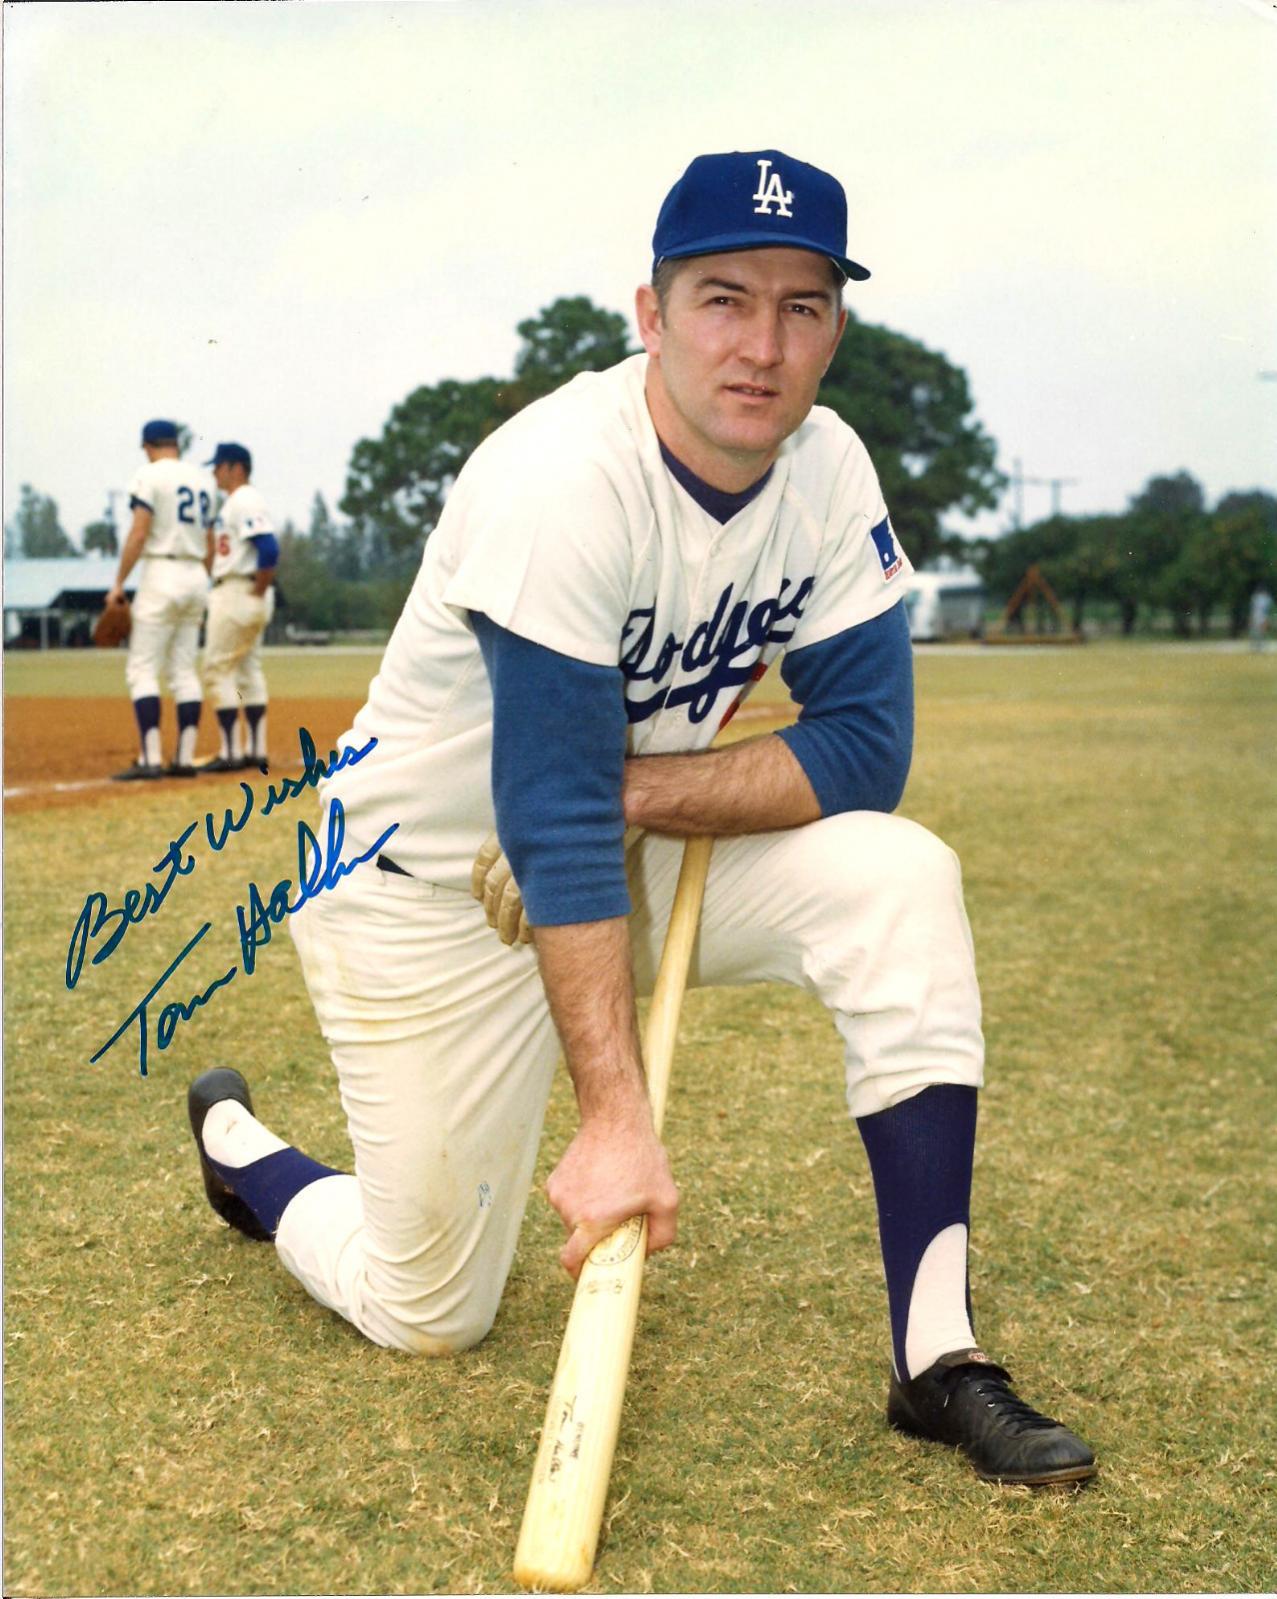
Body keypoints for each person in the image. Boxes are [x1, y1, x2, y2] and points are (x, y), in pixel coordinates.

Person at [186, 149, 1095, 1487]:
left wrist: (627, 792)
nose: (760, 345)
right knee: (427, 1308)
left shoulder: (828, 470)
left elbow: (863, 747)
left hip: (610, 843)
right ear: (649, 314)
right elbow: (546, 820)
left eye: (799, 306)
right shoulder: (559, 477)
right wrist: (616, 1120)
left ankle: (935, 1354)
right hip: (421, 888)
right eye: (723, 299)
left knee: (898, 877)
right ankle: (245, 1151)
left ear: (835, 330)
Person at [108, 419, 212, 780]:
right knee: (184, 670)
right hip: (196, 573)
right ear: (176, 444)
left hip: (162, 572)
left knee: (142, 669)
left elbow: (139, 533)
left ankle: (151, 759)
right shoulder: (201, 479)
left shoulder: (149, 475)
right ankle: (184, 759)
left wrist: (118, 583)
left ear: (148, 446)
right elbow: (209, 539)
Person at [200, 442, 279, 774]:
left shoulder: (244, 499)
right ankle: (256, 750)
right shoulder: (236, 502)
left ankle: (230, 752)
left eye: (218, 466)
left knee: (217, 669)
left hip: (237, 590)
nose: (214, 472)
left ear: (236, 467)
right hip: (245, 589)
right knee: (247, 669)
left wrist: (257, 588)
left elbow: (269, 548)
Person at [1248, 585, 1272, 652]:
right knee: (1261, 631)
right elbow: (1267, 609)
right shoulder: (1266, 598)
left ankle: (1256, 646)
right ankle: (1260, 646)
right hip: (1262, 616)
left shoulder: (1255, 597)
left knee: (1256, 631)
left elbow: (1252, 608)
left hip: (1256, 615)